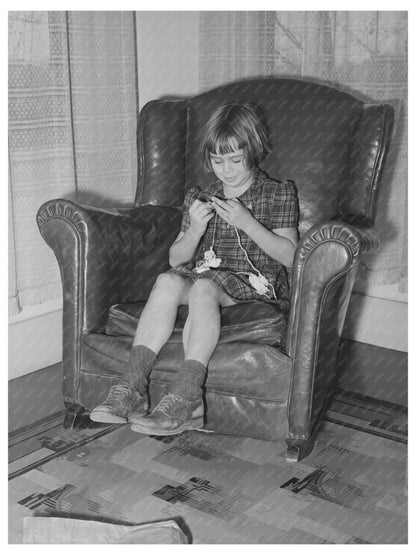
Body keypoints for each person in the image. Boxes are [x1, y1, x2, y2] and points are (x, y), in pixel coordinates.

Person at [90, 102, 300, 436]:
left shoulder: (278, 193)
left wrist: (248, 224)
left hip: (254, 283)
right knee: (167, 281)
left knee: (203, 287)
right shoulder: (200, 197)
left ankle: (188, 396)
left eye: (235, 159)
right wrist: (194, 231)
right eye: (217, 161)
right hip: (206, 274)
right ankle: (132, 387)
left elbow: (291, 257)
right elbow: (176, 259)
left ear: (255, 149)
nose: (226, 170)